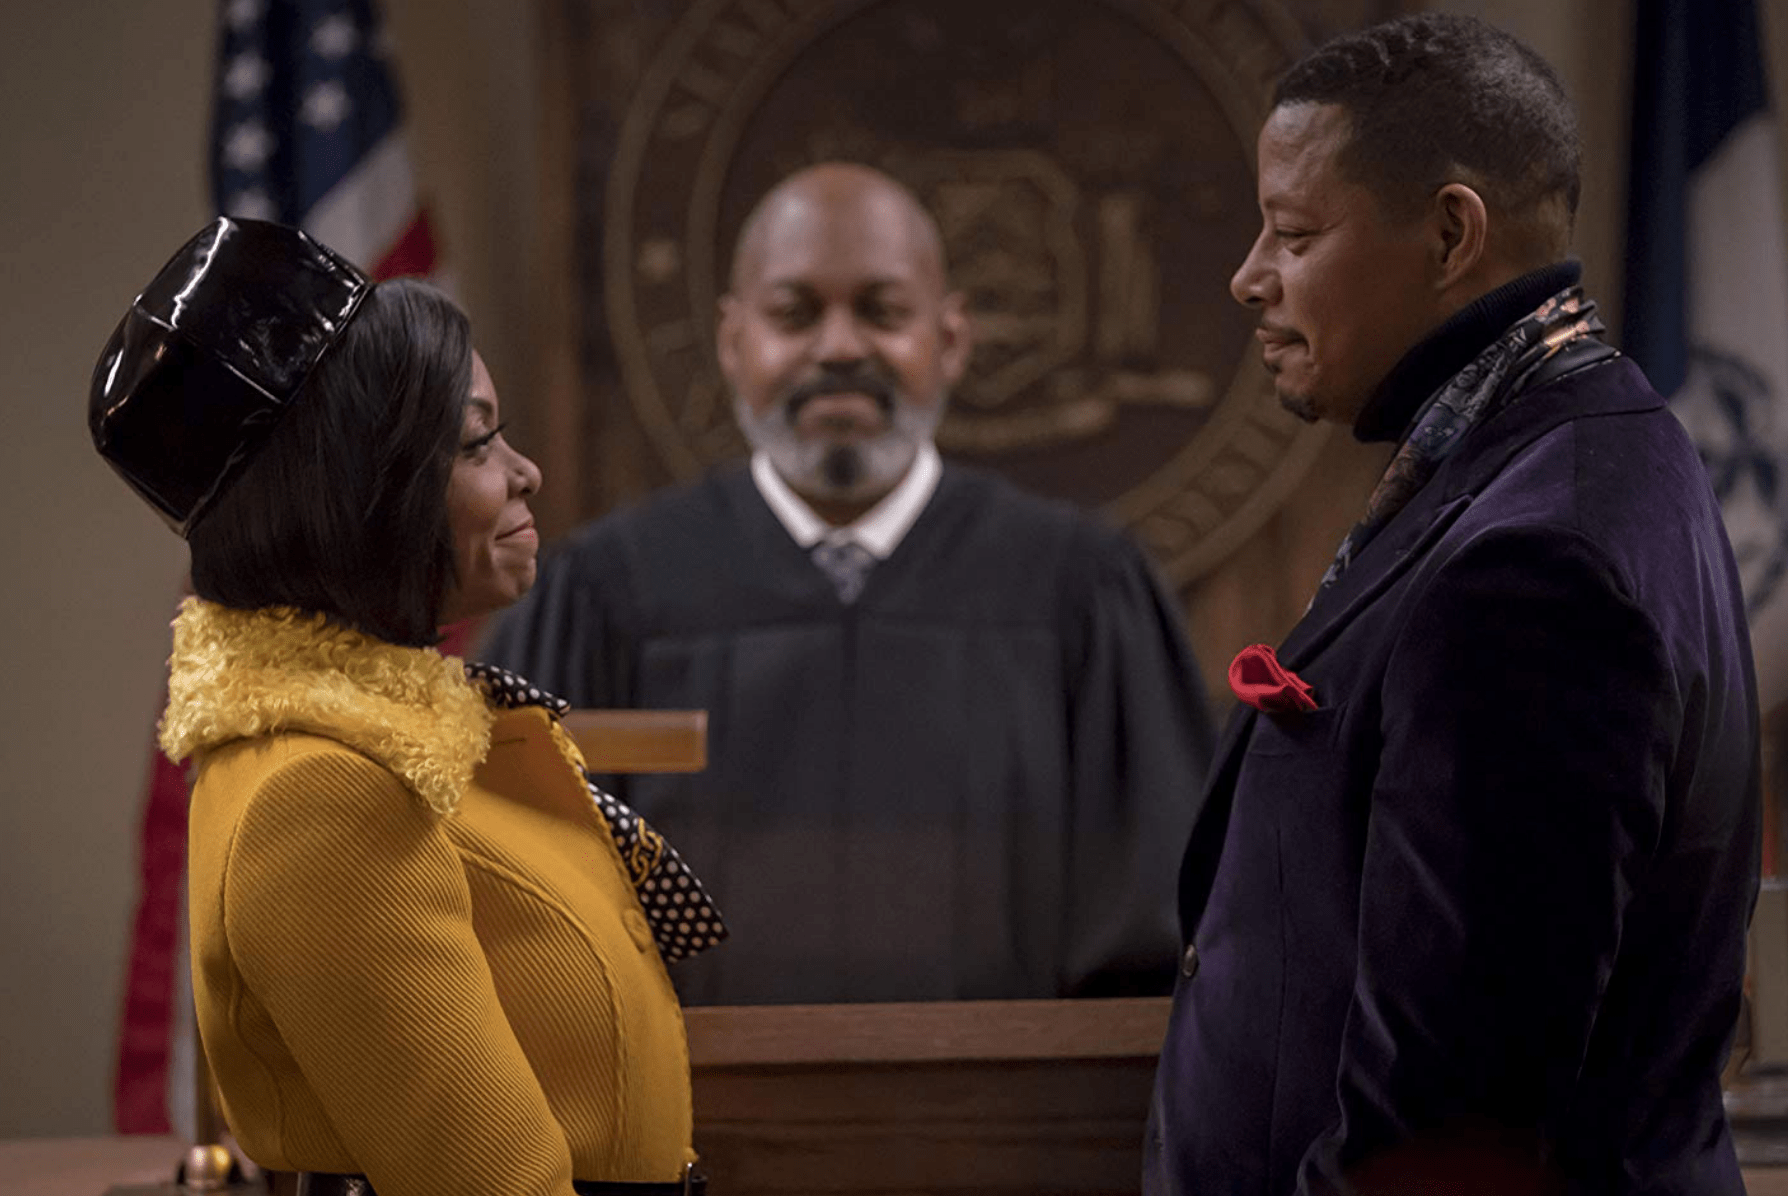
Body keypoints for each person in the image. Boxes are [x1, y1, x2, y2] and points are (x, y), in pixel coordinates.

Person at [1145, 14, 1761, 1196]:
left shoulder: (1534, 566)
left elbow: (1455, 1123)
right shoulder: (1573, 451)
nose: (1249, 276)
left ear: (1449, 233)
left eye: (1294, 234)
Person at [89, 218, 723, 1196]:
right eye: (475, 444)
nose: (525, 473)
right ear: (358, 497)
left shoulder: (395, 737)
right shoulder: (322, 797)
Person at [482, 162, 1216, 1005]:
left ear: (951, 340)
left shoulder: (1079, 589)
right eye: (794, 314)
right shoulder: (608, 590)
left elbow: (1156, 933)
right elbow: (524, 913)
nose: (838, 348)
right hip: (685, 1092)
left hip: (1010, 1090)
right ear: (732, 341)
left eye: (882, 311)